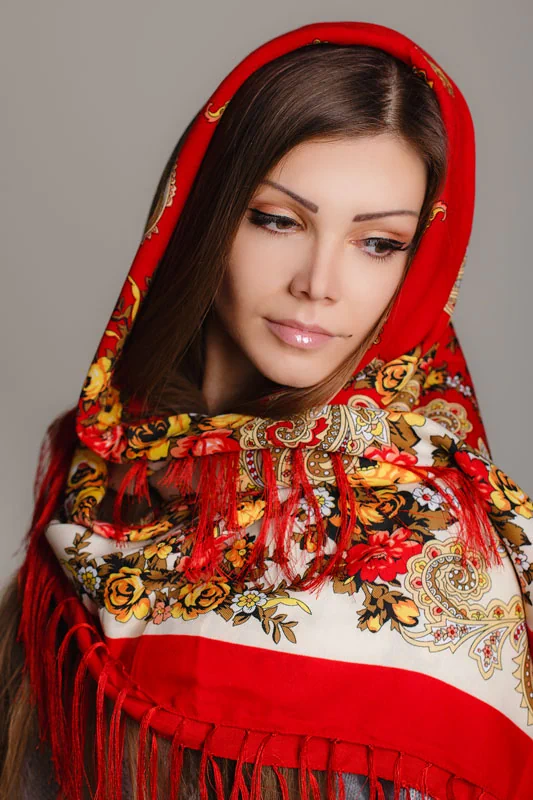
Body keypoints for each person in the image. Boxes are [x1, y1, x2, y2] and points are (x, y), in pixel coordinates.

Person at [1, 18, 532, 800]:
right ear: (204, 218)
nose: (318, 283)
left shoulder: (434, 545)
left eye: (378, 243)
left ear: (420, 266)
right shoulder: (104, 474)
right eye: (278, 220)